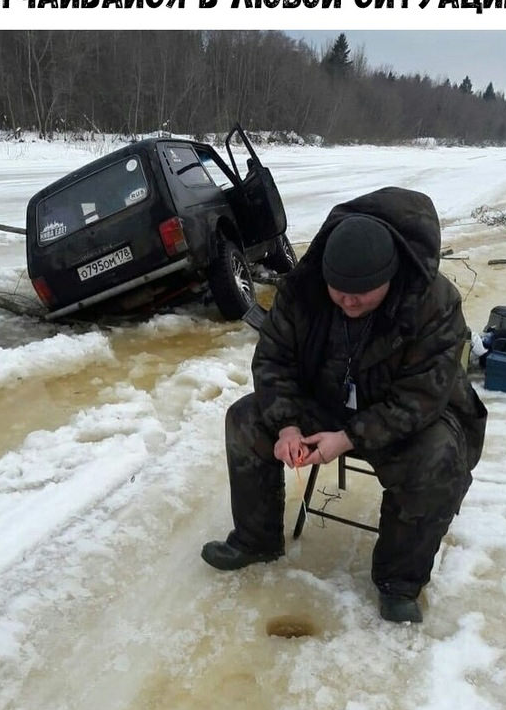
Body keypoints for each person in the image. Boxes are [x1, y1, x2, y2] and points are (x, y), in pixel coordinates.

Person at [201, 186, 487, 623]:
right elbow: (274, 358)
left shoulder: (434, 303)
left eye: (363, 293)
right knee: (244, 418)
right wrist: (287, 427)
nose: (349, 301)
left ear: (392, 277)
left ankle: (399, 582)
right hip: (327, 400)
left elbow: (421, 398)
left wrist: (350, 438)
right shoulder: (304, 287)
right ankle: (255, 540)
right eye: (340, 291)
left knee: (438, 458)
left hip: (405, 418)